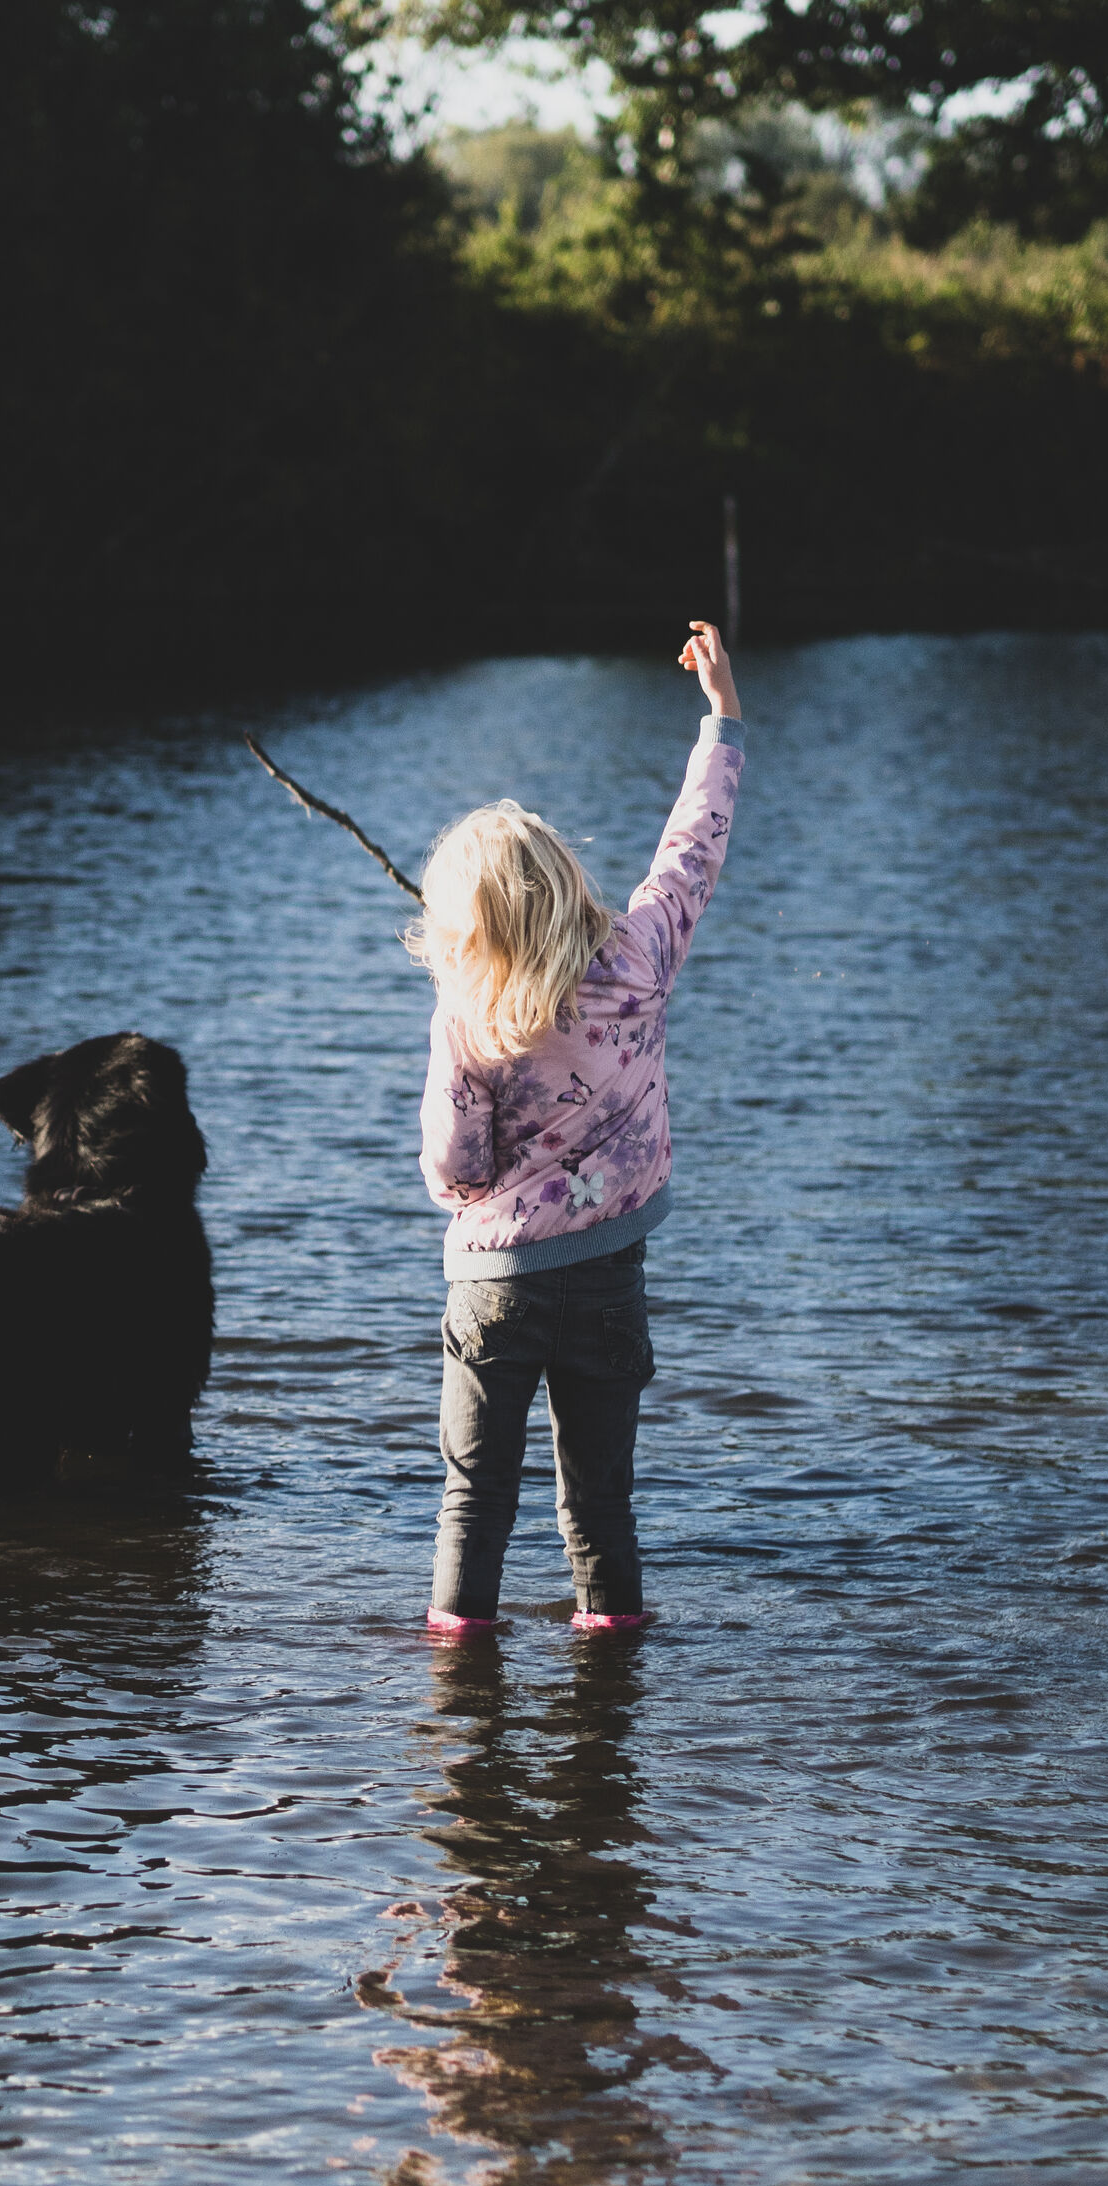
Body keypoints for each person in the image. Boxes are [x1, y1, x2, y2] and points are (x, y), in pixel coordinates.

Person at [408, 621, 745, 1635]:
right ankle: (610, 1686)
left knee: (474, 1500)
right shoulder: (642, 957)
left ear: (469, 930)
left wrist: (477, 1197)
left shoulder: (471, 1014)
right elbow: (693, 849)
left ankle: (458, 1695)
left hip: (493, 1290)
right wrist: (722, 720)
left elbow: (454, 1166)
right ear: (568, 885)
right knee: (599, 1504)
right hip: (605, 1277)